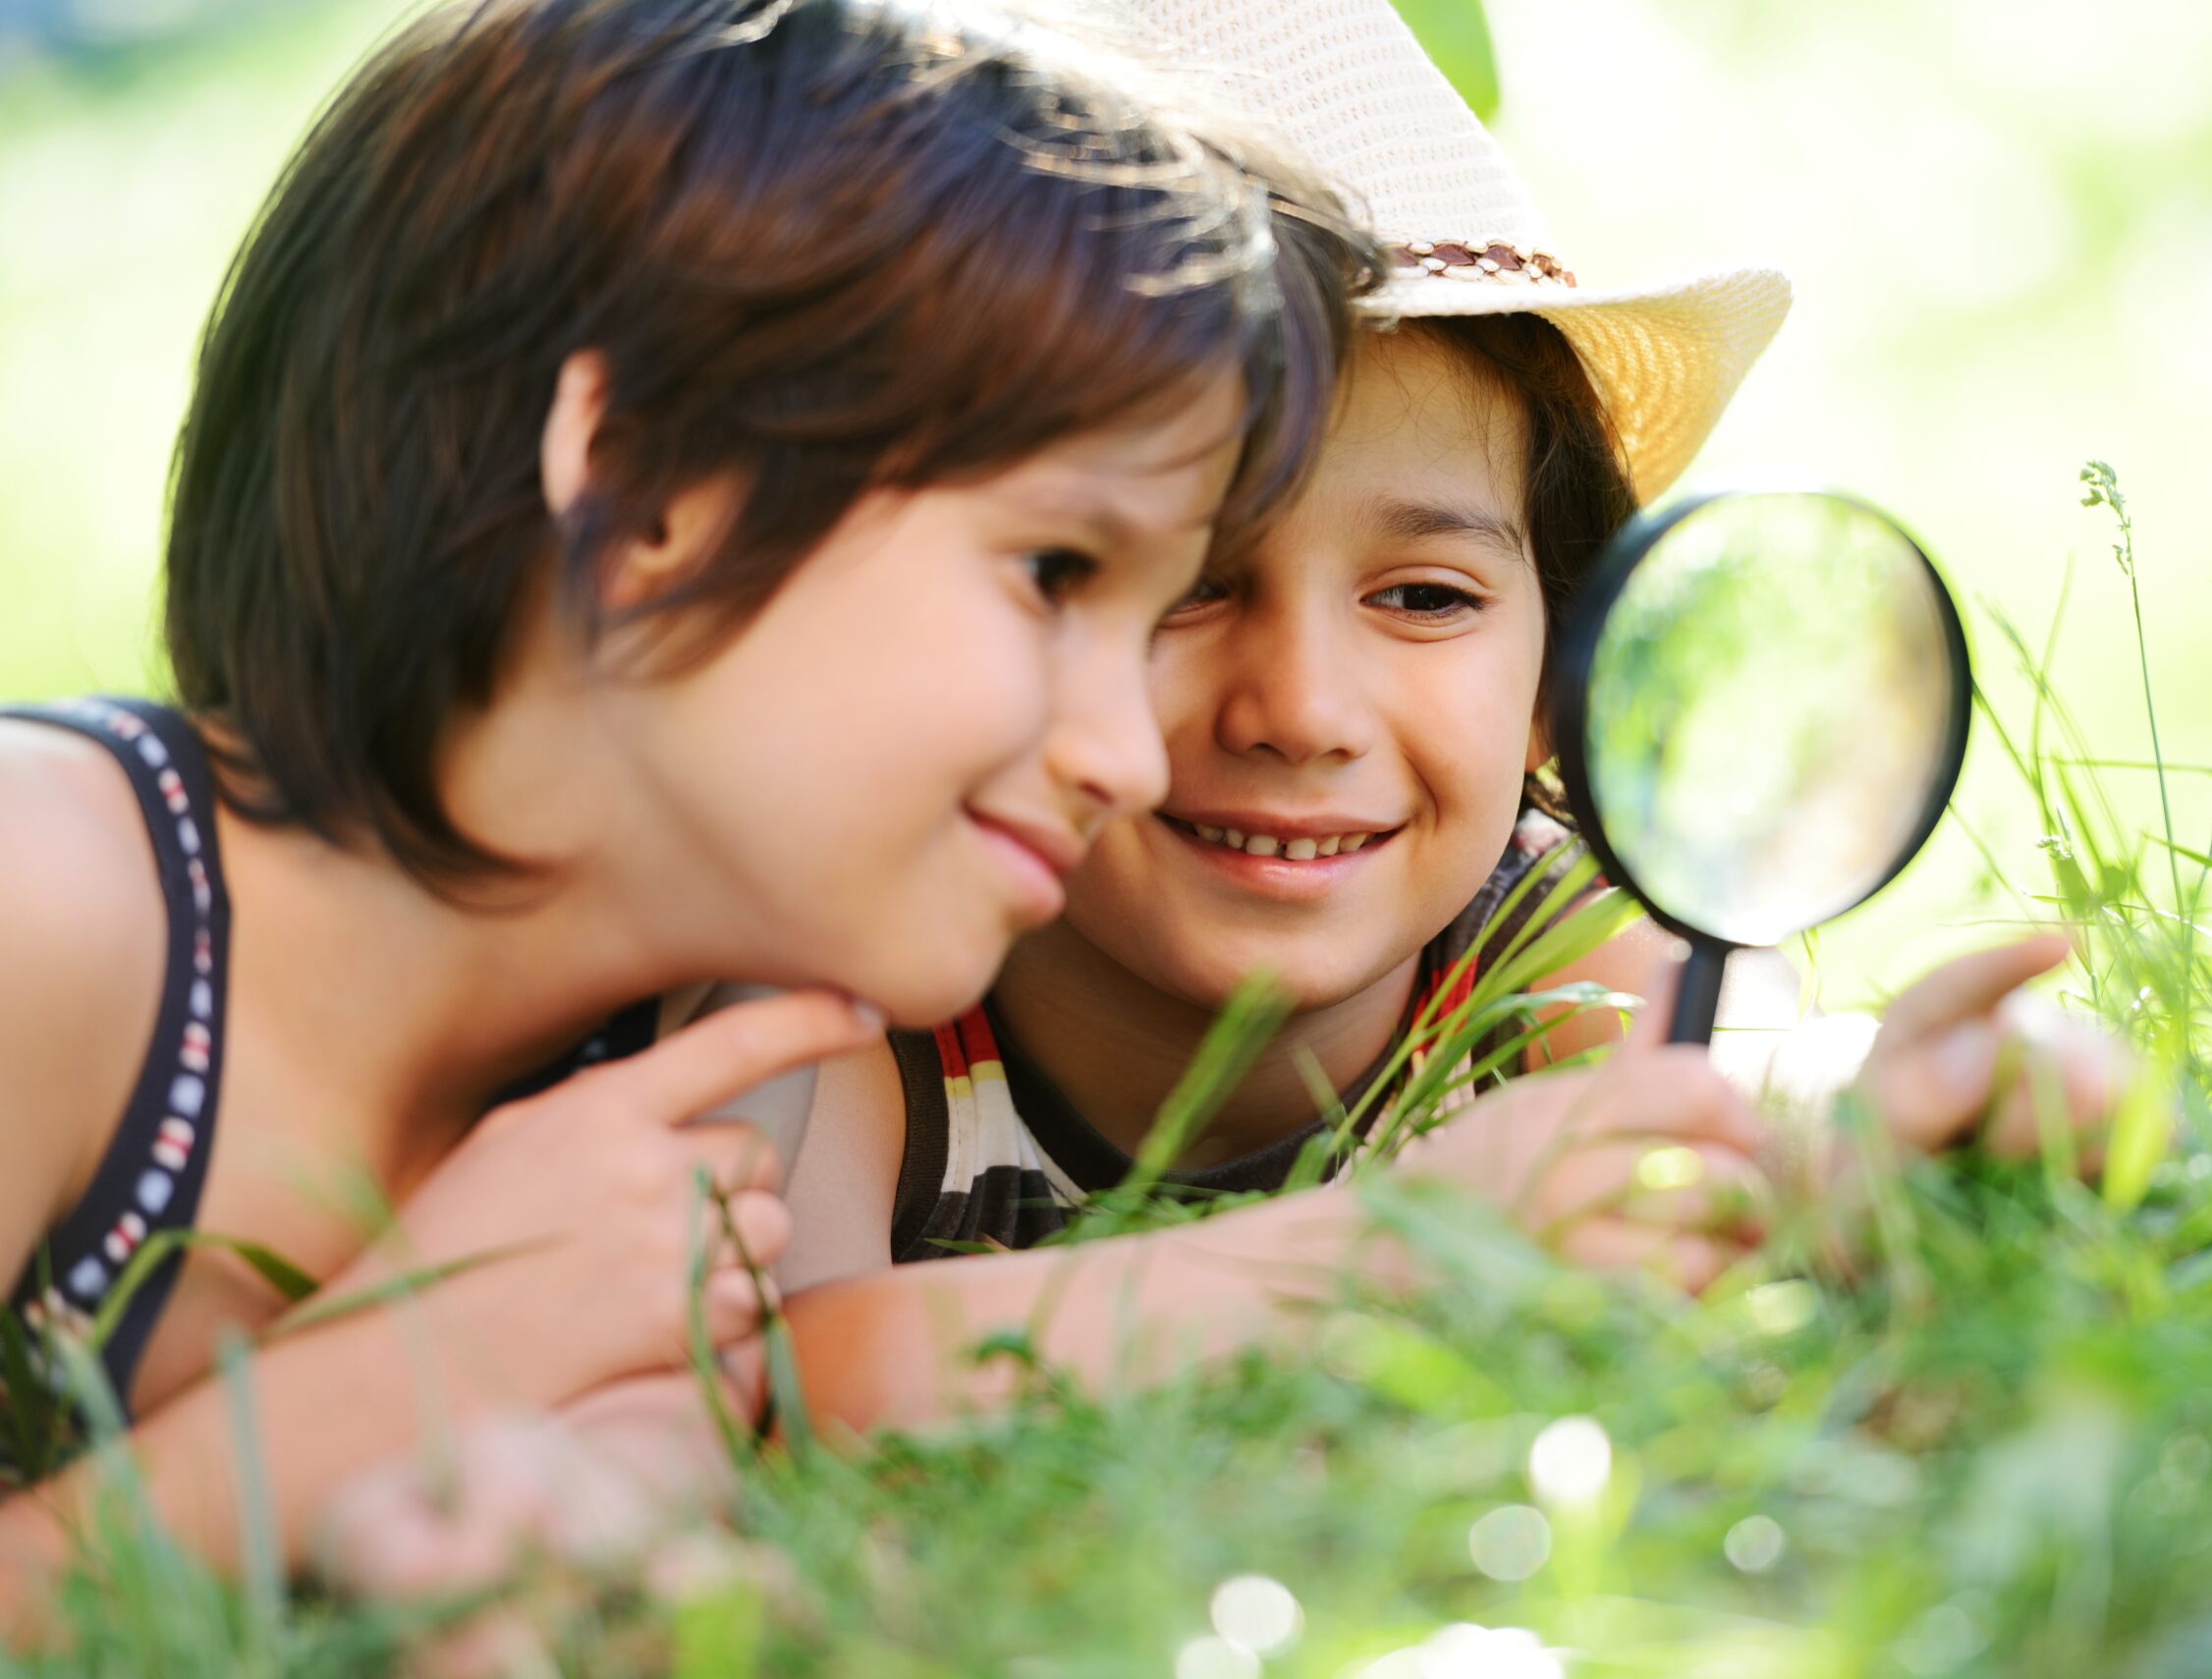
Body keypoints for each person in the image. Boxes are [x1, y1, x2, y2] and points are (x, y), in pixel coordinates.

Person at [0, 0, 1382, 1625]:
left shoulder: (720, 1052)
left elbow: (653, 1498)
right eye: (1055, 572)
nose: (1130, 756)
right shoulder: (60, 901)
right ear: (652, 489)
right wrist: (394, 1375)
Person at [762, 0, 2125, 1427]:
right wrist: (1396, 1244)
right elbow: (793, 1380)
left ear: (1557, 684)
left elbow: (1740, 1095)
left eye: (1423, 597)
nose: (1300, 709)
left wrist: (1882, 1104)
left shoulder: (1549, 932)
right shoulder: (861, 965)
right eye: (1188, 582)